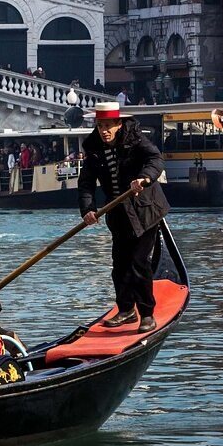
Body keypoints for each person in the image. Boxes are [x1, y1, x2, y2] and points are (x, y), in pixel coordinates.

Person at [78, 101, 170, 334]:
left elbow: (156, 160)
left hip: (146, 209)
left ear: (118, 124)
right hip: (117, 213)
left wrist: (144, 178)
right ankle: (126, 309)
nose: (104, 131)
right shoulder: (93, 146)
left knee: (138, 263)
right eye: (100, 126)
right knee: (119, 266)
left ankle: (147, 314)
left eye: (108, 126)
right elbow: (86, 182)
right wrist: (88, 209)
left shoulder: (135, 138)